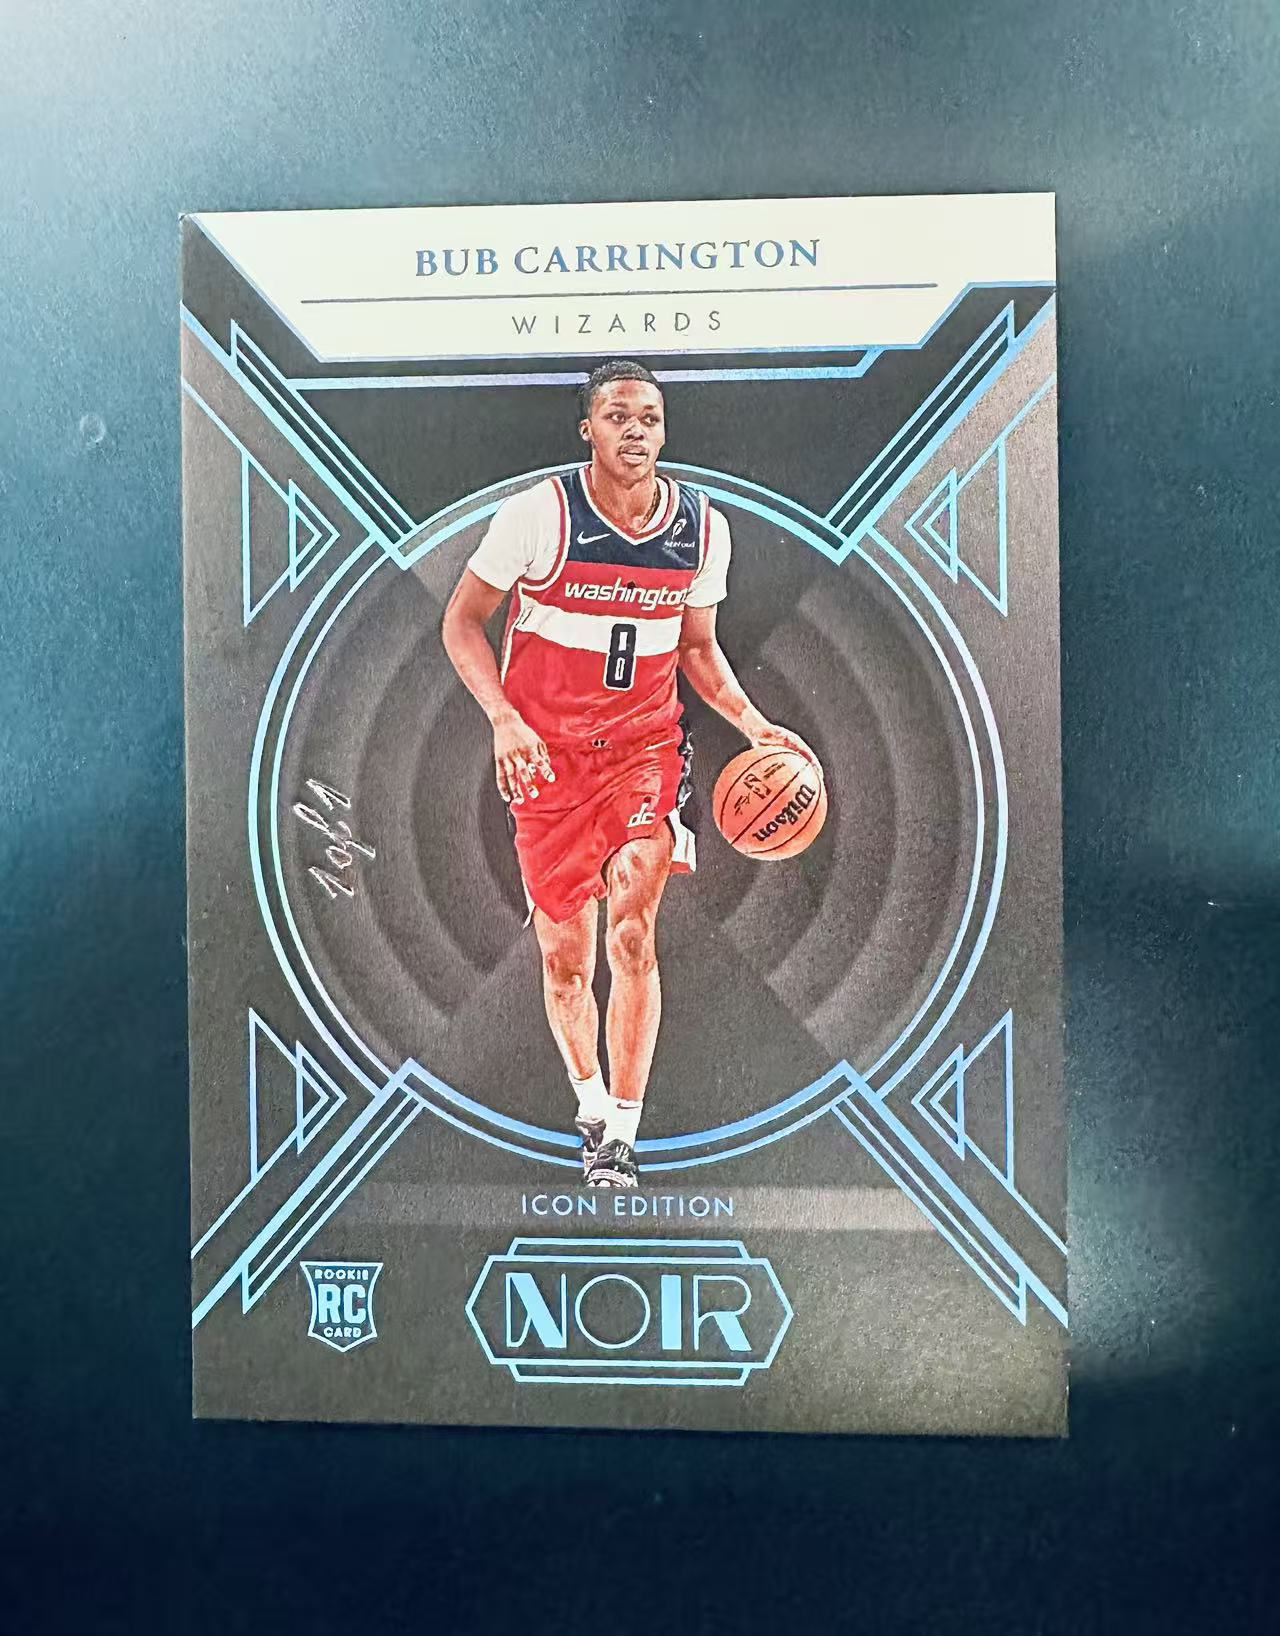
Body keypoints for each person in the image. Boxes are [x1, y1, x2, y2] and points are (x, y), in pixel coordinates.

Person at [442, 360, 807, 1187]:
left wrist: (754, 726)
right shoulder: (539, 516)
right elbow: (461, 623)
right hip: (547, 760)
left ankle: (624, 1137)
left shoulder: (702, 529)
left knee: (634, 932)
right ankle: (589, 1104)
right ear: (589, 431)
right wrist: (503, 719)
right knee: (566, 963)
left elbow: (698, 647)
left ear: (663, 429)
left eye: (649, 416)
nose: (635, 429)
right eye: (617, 416)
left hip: (645, 749)